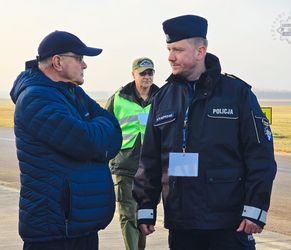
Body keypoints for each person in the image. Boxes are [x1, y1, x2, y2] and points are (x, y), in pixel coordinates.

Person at [132, 15, 277, 250]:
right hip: (182, 224)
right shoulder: (163, 99)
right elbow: (149, 159)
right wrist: (146, 207)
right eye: (169, 49)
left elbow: (260, 156)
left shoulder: (237, 93)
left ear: (200, 51)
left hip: (229, 223)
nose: (170, 57)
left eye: (177, 49)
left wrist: (255, 208)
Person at [10, 30, 122, 250]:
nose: (84, 65)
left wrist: (97, 132)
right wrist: (98, 133)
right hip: (54, 232)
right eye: (79, 58)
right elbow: (87, 142)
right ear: (57, 62)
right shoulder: (36, 98)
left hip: (80, 226)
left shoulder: (72, 93)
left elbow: (115, 129)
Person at [106, 57, 159, 250]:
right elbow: (105, 129)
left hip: (151, 168)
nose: (146, 76)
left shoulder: (161, 97)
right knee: (128, 214)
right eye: (142, 73)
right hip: (125, 165)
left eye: (150, 73)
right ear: (133, 74)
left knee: (144, 215)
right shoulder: (119, 97)